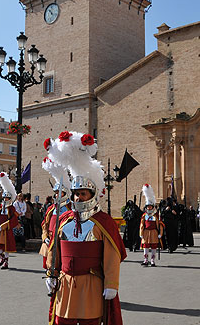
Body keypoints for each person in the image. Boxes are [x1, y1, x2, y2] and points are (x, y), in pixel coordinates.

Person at [44, 131, 126, 325]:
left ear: (92, 195)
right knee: (62, 321)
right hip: (65, 283)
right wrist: (51, 273)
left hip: (91, 283)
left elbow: (112, 256)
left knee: (90, 321)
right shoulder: (63, 219)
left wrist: (111, 284)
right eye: (75, 194)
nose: (78, 198)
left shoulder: (102, 221)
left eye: (82, 194)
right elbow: (53, 249)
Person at [39, 153, 72, 269]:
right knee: (49, 267)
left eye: (60, 193)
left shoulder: (70, 208)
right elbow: (45, 224)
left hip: (63, 240)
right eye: (56, 192)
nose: (57, 195)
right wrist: (45, 237)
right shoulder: (51, 208)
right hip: (50, 240)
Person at [0, 173, 20, 269]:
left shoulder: (11, 208)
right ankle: (1, 258)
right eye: (4, 198)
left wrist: (2, 227)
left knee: (6, 247)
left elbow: (13, 220)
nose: (5, 199)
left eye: (7, 198)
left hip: (6, 229)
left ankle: (6, 262)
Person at [139, 184, 164, 266]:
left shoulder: (155, 215)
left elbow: (160, 224)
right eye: (148, 207)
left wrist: (160, 234)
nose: (149, 208)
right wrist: (141, 234)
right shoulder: (144, 215)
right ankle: (145, 260)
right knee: (145, 246)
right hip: (146, 232)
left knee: (153, 246)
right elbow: (142, 225)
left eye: (150, 207)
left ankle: (152, 260)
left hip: (154, 232)